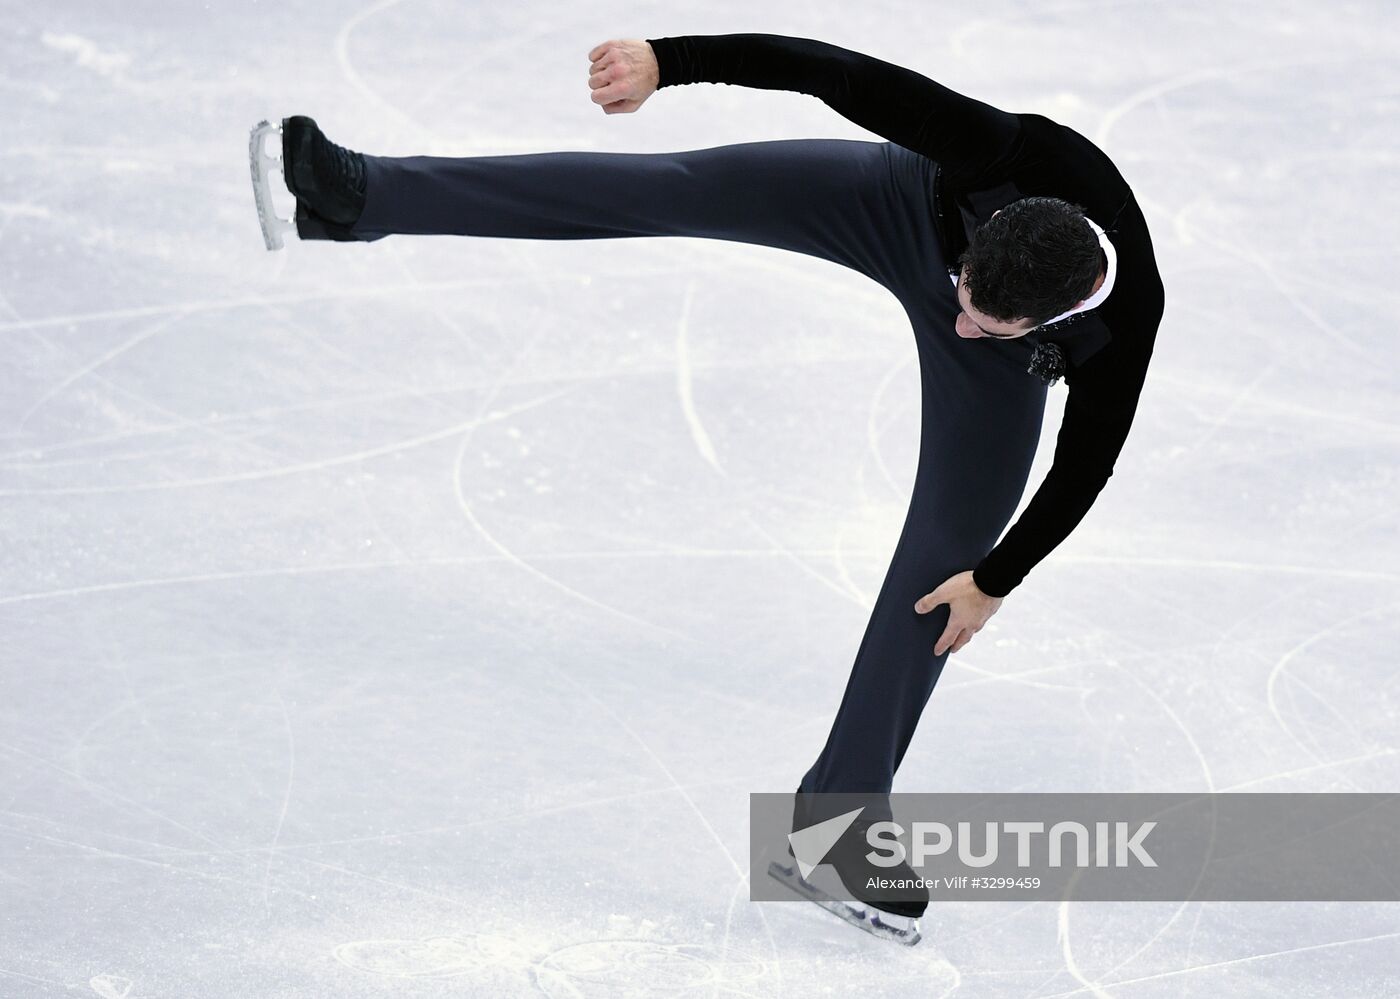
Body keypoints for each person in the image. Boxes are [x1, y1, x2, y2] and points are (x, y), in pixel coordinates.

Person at [255, 32, 1164, 933]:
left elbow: (1084, 464)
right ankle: (360, 192)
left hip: (1009, 364)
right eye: (962, 292)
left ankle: (838, 828)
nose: (959, 321)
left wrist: (996, 581)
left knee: (948, 574)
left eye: (985, 319)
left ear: (1060, 309)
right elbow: (832, 73)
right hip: (900, 206)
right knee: (674, 185)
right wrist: (666, 60)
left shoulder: (1120, 324)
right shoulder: (1002, 150)